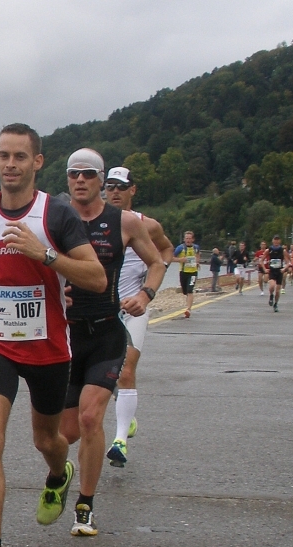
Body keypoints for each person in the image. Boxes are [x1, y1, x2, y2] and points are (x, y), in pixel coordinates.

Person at [0, 123, 106, 547]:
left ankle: (58, 475)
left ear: (37, 162)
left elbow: (96, 278)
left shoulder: (56, 215)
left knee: (48, 439)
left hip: (48, 349)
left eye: (20, 157)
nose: (10, 165)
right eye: (3, 156)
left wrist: (46, 257)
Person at [61, 150, 165, 536]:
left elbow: (157, 261)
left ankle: (85, 506)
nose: (81, 181)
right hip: (65, 335)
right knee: (65, 434)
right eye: (74, 174)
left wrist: (147, 295)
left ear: (100, 180)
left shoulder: (125, 222)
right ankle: (62, 469)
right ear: (67, 179)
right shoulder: (55, 218)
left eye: (89, 174)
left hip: (107, 331)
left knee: (91, 418)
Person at [102, 167, 173, 468]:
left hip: (134, 309)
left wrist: (150, 285)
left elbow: (167, 249)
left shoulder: (148, 225)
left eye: (122, 186)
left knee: (127, 370)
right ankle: (125, 413)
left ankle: (119, 442)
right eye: (110, 186)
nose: (115, 192)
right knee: (104, 374)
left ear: (133, 190)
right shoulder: (94, 223)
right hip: (101, 309)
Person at [173, 231, 199, 317]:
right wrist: (180, 260)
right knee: (185, 291)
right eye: (186, 238)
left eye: (189, 238)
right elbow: (170, 257)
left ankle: (188, 309)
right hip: (183, 272)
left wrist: (197, 262)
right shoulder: (180, 248)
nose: (188, 240)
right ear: (184, 239)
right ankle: (188, 302)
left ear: (193, 239)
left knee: (190, 290)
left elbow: (198, 255)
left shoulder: (196, 247)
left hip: (193, 273)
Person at [264, 235, 290, 313]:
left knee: (278, 291)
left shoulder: (283, 251)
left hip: (279, 271)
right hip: (272, 270)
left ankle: (276, 304)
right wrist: (265, 268)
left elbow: (288, 262)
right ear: (272, 241)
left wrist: (284, 268)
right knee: (272, 286)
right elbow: (261, 260)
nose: (276, 242)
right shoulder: (269, 250)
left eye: (277, 240)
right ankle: (271, 295)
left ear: (279, 241)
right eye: (275, 240)